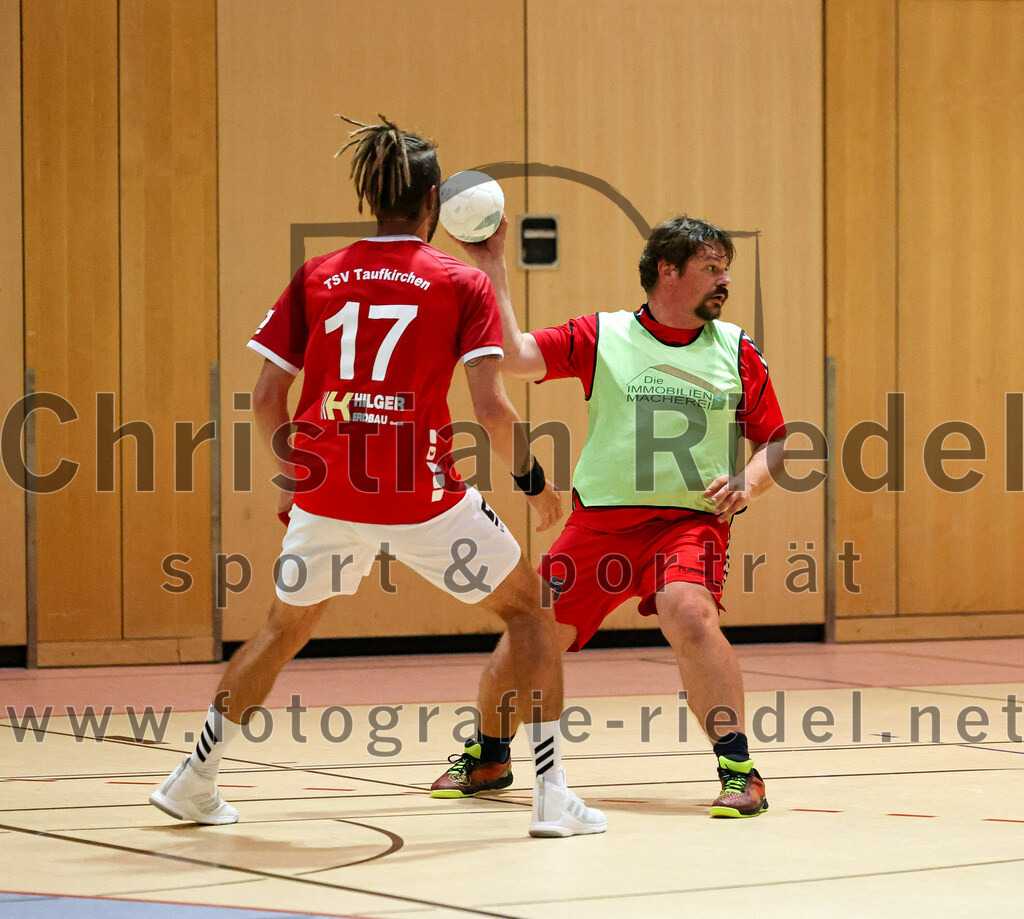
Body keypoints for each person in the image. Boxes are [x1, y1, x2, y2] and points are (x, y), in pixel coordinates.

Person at [149, 115, 605, 838]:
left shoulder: (318, 274)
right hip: (421, 496)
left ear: (374, 197)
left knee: (282, 628)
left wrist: (300, 473)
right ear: (433, 201)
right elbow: (491, 407)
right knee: (533, 613)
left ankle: (193, 777)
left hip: (328, 490)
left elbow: (266, 398)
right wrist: (535, 482)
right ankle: (553, 796)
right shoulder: (459, 282)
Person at [430, 214, 786, 818]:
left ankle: (739, 769)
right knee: (530, 637)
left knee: (690, 613)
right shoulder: (604, 334)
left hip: (688, 521)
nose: (725, 280)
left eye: (727, 269)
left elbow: (777, 441)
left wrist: (749, 483)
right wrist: (492, 265)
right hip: (599, 525)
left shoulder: (735, 348)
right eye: (712, 268)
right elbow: (515, 356)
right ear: (667, 271)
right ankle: (491, 755)